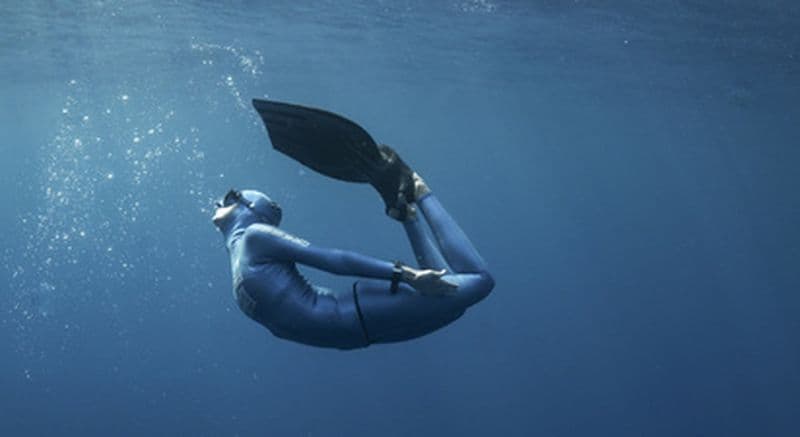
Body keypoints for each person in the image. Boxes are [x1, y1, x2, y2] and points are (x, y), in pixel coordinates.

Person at [212, 100, 494, 349]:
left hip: (358, 314)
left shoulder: (254, 237)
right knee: (452, 305)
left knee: (480, 283)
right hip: (361, 331)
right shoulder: (240, 251)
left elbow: (334, 260)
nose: (218, 202)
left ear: (249, 209)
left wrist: (407, 276)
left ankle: (420, 190)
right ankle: (407, 215)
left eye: (229, 197)